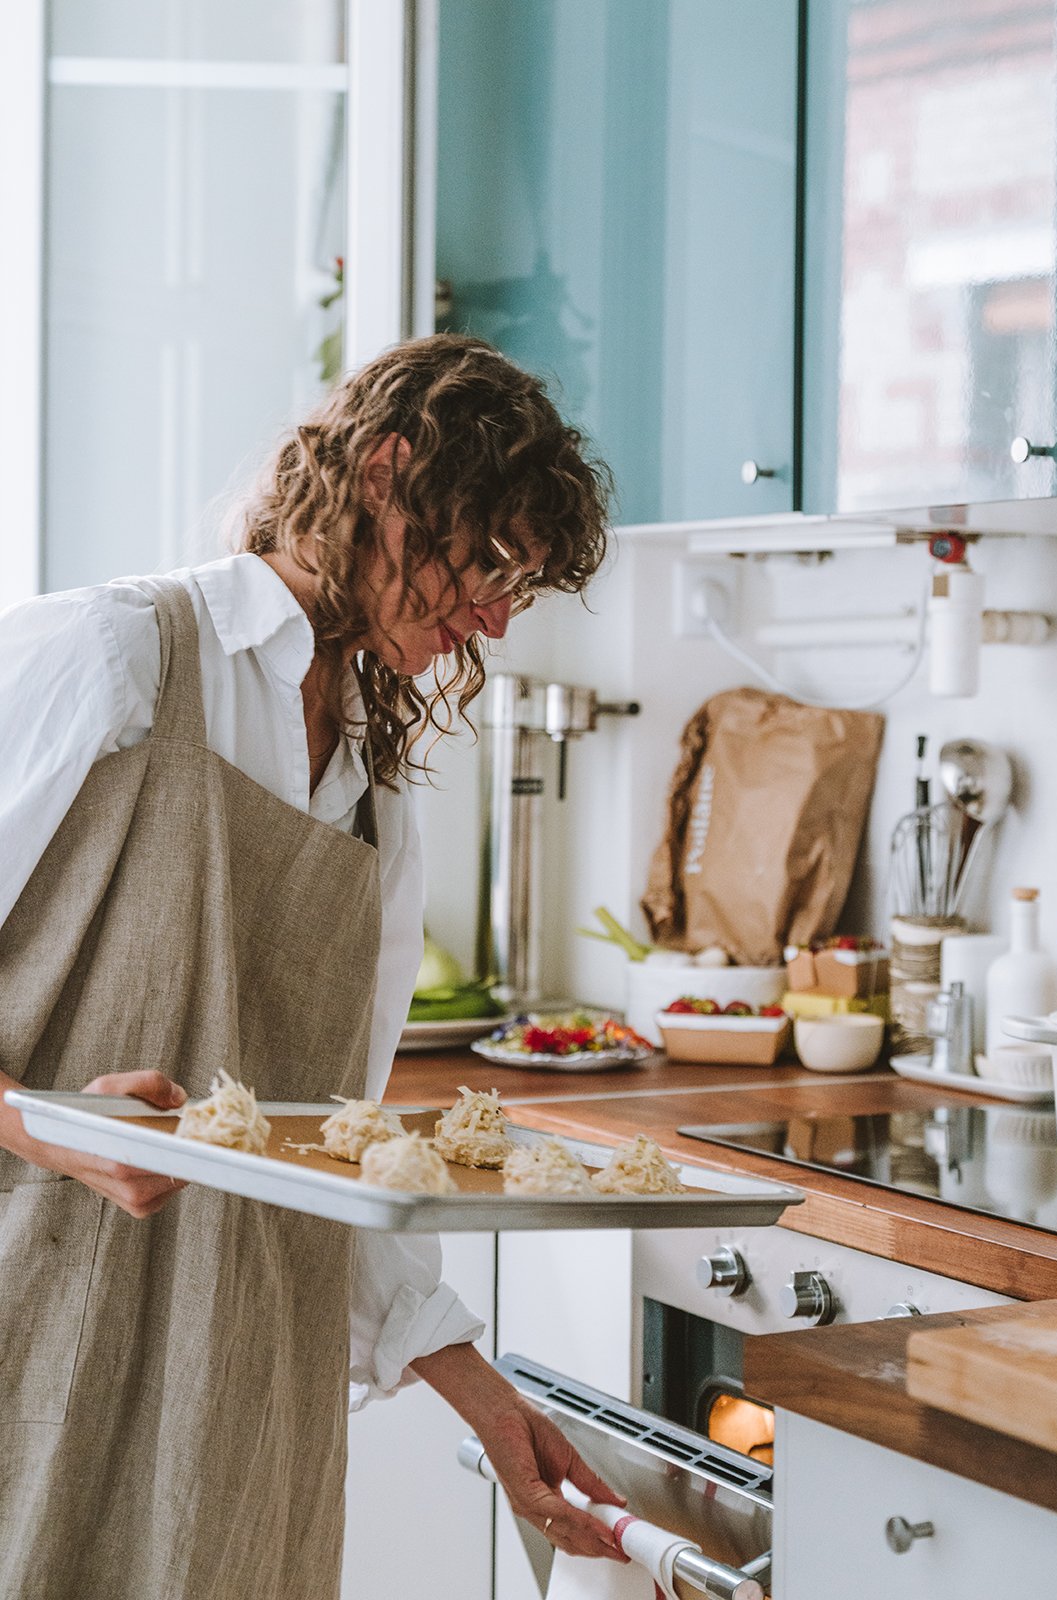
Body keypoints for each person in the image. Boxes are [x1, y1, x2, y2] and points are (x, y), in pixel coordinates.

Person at [0, 333, 628, 1598]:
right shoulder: (118, 657)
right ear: (387, 475)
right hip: (40, 1334)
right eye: (492, 562)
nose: (498, 618)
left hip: (241, 1399)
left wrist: (491, 1409)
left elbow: (330, 1148)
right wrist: (47, 1130)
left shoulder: (379, 794)